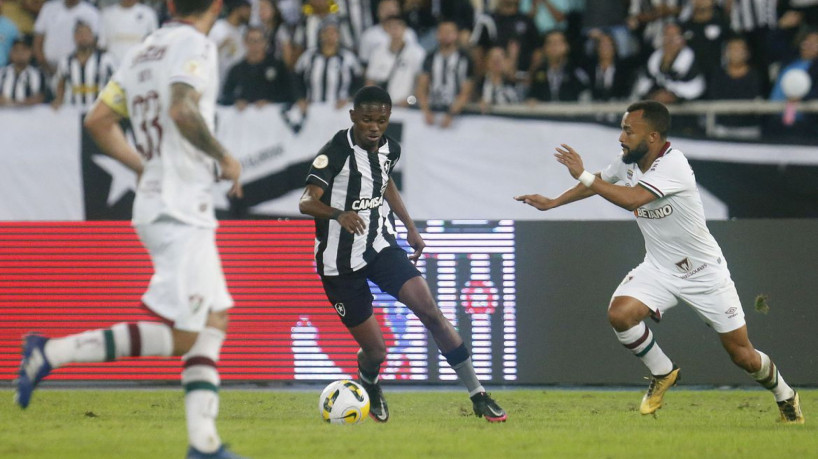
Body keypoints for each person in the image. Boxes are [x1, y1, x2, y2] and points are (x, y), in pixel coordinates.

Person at [16, 0, 246, 458]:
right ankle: (52, 353)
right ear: (217, 6)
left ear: (170, 4)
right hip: (181, 206)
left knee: (214, 319)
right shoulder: (194, 45)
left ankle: (204, 444)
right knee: (187, 334)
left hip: (163, 200)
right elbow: (183, 108)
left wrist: (143, 166)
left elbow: (98, 120)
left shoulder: (143, 50)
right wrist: (223, 155)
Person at [514, 100, 805, 425]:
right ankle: (663, 371)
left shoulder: (674, 165)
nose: (621, 137)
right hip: (659, 268)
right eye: (622, 129)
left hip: (704, 273)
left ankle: (785, 396)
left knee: (743, 355)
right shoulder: (628, 162)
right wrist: (555, 202)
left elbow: (632, 199)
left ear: (652, 137)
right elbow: (599, 182)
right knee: (620, 315)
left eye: (628, 130)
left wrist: (581, 174)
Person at [298, 85, 507, 424]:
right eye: (366, 120)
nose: (374, 127)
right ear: (353, 117)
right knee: (377, 351)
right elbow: (306, 200)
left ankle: (478, 394)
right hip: (339, 264)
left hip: (380, 245)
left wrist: (409, 226)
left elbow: (385, 182)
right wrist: (339, 213)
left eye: (380, 120)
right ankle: (370, 381)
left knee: (430, 310)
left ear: (388, 118)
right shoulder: (334, 152)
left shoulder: (390, 149)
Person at [415, 20, 474, 128]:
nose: (446, 35)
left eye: (449, 32)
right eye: (443, 32)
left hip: (457, 115)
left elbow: (466, 91)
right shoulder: (430, 58)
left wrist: (451, 114)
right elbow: (422, 86)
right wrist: (426, 110)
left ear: (456, 35)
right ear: (437, 35)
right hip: (432, 111)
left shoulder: (465, 59)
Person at [220, 25, 294, 107]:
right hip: (243, 117)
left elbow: (288, 93)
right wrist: (236, 101)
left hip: (271, 117)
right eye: (251, 40)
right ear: (245, 42)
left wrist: (270, 102)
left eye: (258, 41)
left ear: (265, 42)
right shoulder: (236, 69)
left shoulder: (277, 66)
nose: (254, 45)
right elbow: (225, 95)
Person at [51, 20, 117, 111]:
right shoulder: (66, 62)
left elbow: (117, 82)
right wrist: (59, 99)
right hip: (73, 112)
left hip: (98, 112)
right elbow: (60, 82)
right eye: (79, 34)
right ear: (74, 37)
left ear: (93, 36)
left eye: (87, 33)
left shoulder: (106, 60)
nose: (83, 37)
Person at [364, 14, 425, 107]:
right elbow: (370, 81)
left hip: (407, 106)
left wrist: (409, 102)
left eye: (398, 26)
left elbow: (422, 84)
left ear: (405, 28)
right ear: (386, 30)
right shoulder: (377, 52)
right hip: (382, 106)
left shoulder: (417, 53)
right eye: (391, 26)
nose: (395, 29)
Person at [32, 0, 100, 75]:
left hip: (76, 70)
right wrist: (44, 65)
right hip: (47, 68)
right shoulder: (48, 8)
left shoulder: (91, 12)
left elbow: (95, 44)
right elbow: (38, 40)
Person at [98, 0, 158, 65]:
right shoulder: (107, 14)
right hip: (114, 68)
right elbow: (102, 45)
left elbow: (154, 44)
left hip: (139, 66)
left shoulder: (148, 14)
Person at [0, 36, 47, 106]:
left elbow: (42, 96)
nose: (20, 53)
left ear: (31, 52)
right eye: (16, 50)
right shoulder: (2, 73)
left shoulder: (39, 74)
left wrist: (22, 104)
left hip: (30, 115)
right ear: (10, 53)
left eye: (24, 49)